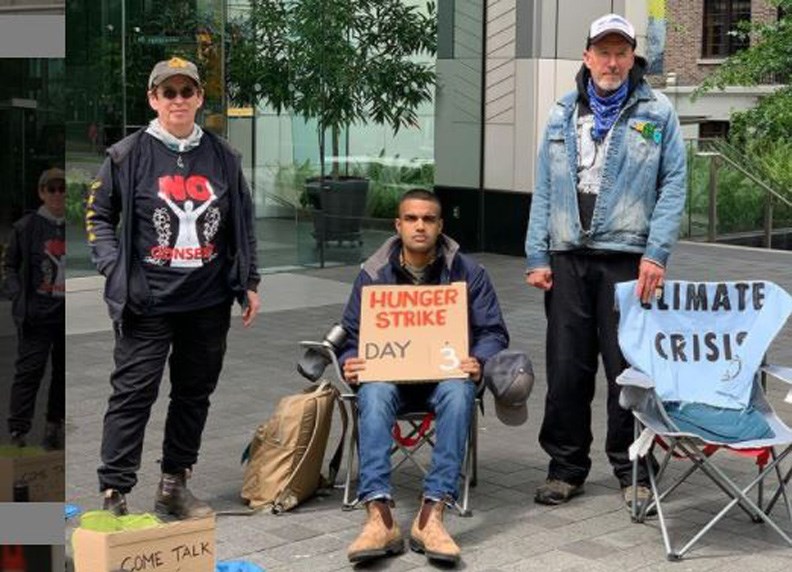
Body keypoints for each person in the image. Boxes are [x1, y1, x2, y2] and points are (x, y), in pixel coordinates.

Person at [86, 57, 260, 519]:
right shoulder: (126, 155)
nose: (178, 100)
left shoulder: (224, 156)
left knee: (193, 394)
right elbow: (98, 217)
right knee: (133, 394)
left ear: (200, 98)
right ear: (153, 99)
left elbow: (243, 223)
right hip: (147, 302)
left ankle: (173, 485)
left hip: (207, 302)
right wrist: (114, 269)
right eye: (169, 92)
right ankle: (114, 494)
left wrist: (250, 280)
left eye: (187, 92)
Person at [524, 14, 686, 511]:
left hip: (627, 260)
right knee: (567, 368)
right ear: (587, 56)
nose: (612, 61)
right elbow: (546, 188)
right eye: (603, 51)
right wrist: (537, 252)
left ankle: (632, 466)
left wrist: (656, 254)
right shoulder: (561, 112)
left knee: (627, 369)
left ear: (632, 58)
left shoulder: (657, 112)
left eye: (621, 52)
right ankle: (566, 468)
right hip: (568, 256)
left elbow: (674, 184)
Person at [339, 189, 509, 564]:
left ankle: (432, 514)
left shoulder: (469, 272)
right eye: (412, 219)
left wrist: (478, 359)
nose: (420, 226)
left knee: (460, 390)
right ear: (398, 225)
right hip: (392, 380)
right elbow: (350, 335)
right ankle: (379, 516)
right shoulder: (372, 272)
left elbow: (493, 332)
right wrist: (350, 361)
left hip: (442, 380)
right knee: (374, 391)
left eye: (428, 219)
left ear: (440, 226)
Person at [5, 168, 66, 450]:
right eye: (51, 189)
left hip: (66, 314)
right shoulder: (26, 227)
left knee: (61, 374)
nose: (57, 194)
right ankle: (18, 430)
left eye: (61, 188)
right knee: (29, 372)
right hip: (36, 314)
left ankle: (55, 424)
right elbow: (11, 267)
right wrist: (18, 297)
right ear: (41, 193)